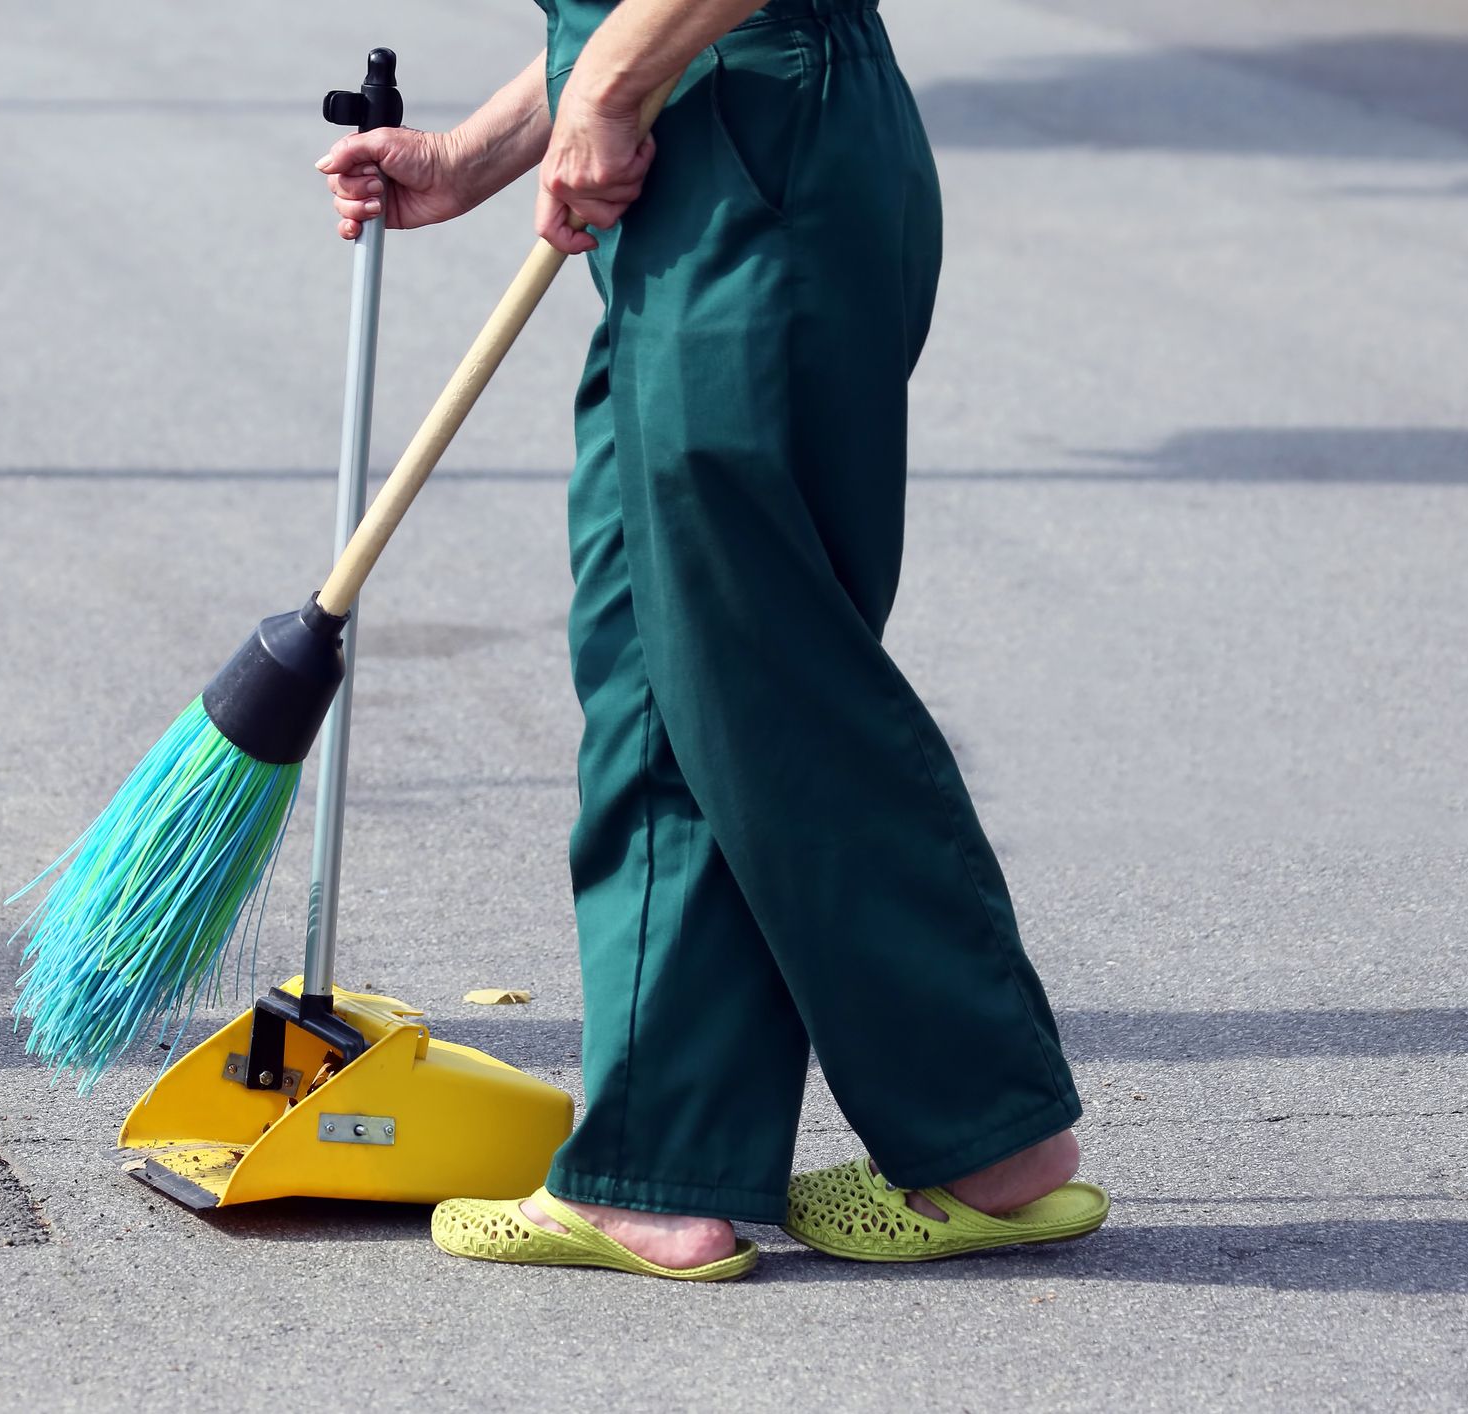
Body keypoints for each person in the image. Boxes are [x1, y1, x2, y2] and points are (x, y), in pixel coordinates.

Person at [317, 0, 1106, 1280]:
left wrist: (613, 92)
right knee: (653, 664)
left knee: (764, 676)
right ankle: (658, 1164)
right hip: (719, 152)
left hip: (752, 158)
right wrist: (481, 151)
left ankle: (989, 1134)